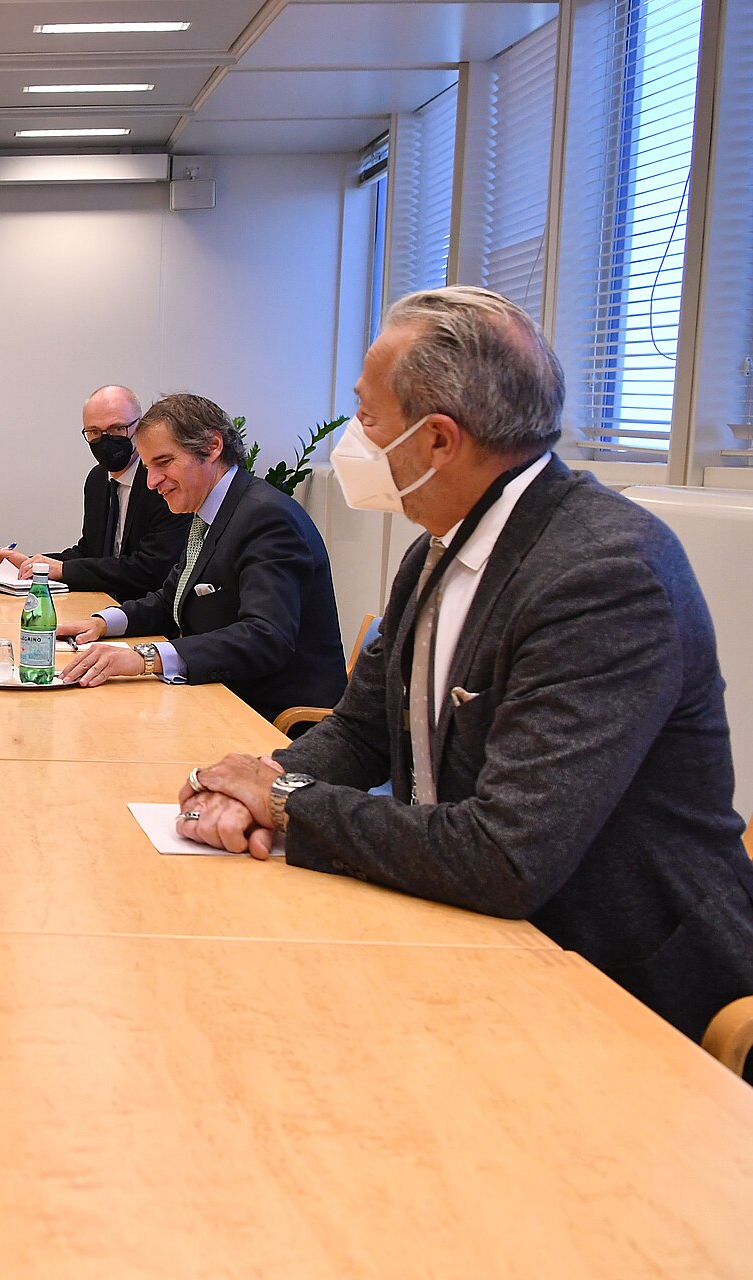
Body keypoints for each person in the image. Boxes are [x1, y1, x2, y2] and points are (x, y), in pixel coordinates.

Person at [174, 286, 753, 1046]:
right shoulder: (437, 547)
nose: (355, 438)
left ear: (439, 440)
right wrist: (248, 791)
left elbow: (506, 855)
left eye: (369, 417)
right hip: (477, 937)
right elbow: (358, 734)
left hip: (622, 988)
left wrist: (282, 798)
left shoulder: (605, 573)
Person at [59, 393, 346, 723]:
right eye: (149, 467)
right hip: (219, 696)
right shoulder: (211, 511)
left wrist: (145, 658)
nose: (152, 482)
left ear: (211, 447)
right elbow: (171, 601)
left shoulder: (267, 518)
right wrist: (102, 623)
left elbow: (264, 637)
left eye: (163, 463)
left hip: (273, 720)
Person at [0, 384, 191, 598]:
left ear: (140, 426)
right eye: (94, 432)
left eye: (117, 428)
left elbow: (151, 570)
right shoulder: (97, 479)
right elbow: (89, 552)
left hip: (150, 613)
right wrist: (33, 563)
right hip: (100, 606)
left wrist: (63, 570)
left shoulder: (161, 483)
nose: (105, 439)